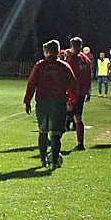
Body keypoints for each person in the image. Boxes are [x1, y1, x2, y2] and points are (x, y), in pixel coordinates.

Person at [23, 40, 79, 169]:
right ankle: (53, 162)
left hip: (43, 102)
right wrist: (72, 100)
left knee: (43, 131)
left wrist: (27, 101)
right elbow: (73, 84)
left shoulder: (40, 65)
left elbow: (31, 84)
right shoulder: (64, 66)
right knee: (55, 133)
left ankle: (43, 160)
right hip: (58, 102)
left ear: (47, 51)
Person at [60, 37, 92, 150]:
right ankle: (80, 144)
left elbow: (65, 74)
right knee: (77, 117)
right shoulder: (86, 59)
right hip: (81, 92)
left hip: (71, 93)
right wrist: (88, 90)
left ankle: (55, 140)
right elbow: (89, 76)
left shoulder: (71, 59)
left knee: (64, 116)